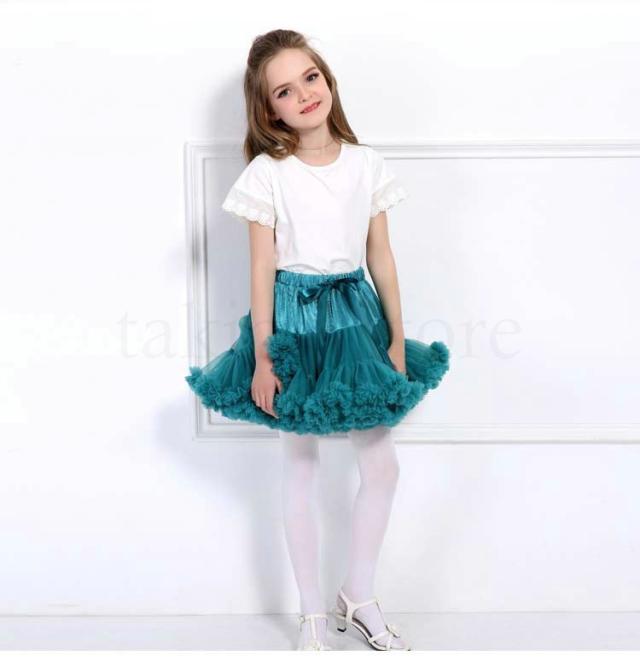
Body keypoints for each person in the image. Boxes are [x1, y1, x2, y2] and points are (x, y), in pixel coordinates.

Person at [185, 29, 450, 651]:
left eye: (310, 78)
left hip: (356, 320)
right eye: (284, 90)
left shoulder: (366, 163)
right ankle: (310, 614)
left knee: (381, 464)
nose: (303, 94)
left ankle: (358, 595)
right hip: (293, 324)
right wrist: (264, 356)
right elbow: (261, 268)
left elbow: (381, 257)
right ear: (269, 109)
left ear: (328, 80)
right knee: (300, 465)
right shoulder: (267, 174)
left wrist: (395, 338)